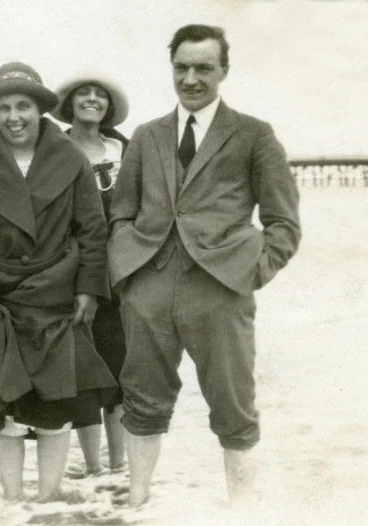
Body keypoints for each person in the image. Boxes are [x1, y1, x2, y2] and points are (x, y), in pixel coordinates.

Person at [108, 24, 301, 506]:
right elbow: (121, 213)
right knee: (142, 401)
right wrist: (129, 272)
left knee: (234, 405)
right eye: (181, 67)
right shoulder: (146, 136)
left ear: (224, 71)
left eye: (203, 68)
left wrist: (248, 272)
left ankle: (243, 513)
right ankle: (137, 506)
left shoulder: (254, 135)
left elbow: (283, 223)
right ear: (171, 68)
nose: (191, 79)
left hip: (220, 292)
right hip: (148, 288)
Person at [0, 62, 117, 502]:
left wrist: (87, 289)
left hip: (56, 294)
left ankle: (45, 504)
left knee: (57, 401)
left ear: (40, 108)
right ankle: (13, 503)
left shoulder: (70, 157)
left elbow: (92, 230)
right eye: (4, 107)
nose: (13, 116)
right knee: (4, 405)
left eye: (23, 105)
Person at [51, 70, 130, 477]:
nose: (93, 99)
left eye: (101, 94)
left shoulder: (124, 148)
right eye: (84, 93)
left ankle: (120, 464)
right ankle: (92, 466)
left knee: (119, 364)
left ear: (109, 106)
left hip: (121, 272)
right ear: (70, 103)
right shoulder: (54, 147)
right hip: (73, 270)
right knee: (82, 365)